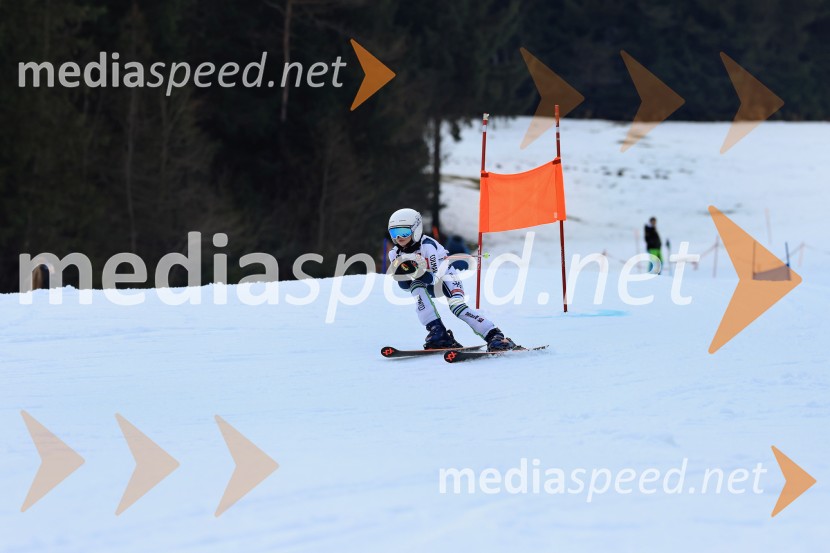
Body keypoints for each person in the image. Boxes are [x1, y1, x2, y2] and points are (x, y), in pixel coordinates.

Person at [386, 208, 516, 351]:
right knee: (416, 287)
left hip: (446, 278)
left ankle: (495, 336)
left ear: (416, 229)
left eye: (403, 232)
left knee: (457, 307)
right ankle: (438, 332)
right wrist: (403, 277)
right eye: (394, 233)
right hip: (427, 283)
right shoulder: (395, 254)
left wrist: (415, 271)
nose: (399, 237)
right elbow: (404, 286)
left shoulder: (428, 246)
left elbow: (435, 278)